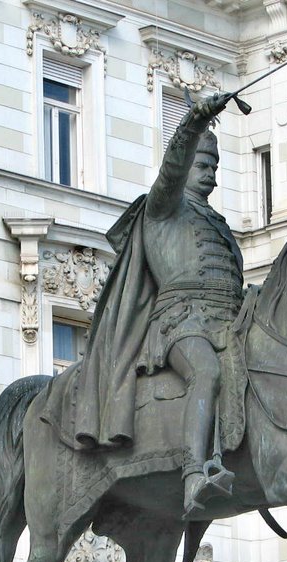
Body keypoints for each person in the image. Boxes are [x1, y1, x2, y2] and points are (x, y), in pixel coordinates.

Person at [40, 92, 243, 520]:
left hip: (227, 322)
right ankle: (194, 474)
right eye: (203, 167)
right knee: (206, 372)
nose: (211, 176)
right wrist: (194, 122)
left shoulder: (218, 225)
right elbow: (170, 169)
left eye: (215, 169)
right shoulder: (164, 207)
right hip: (179, 323)